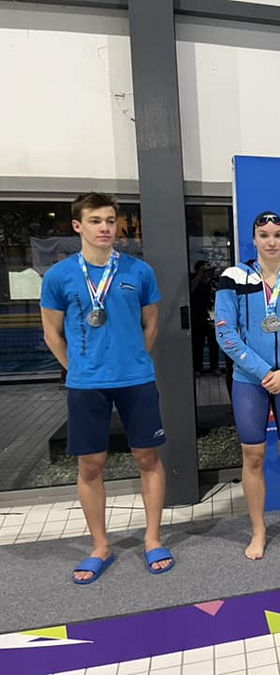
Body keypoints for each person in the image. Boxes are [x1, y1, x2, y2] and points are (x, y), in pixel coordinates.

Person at [40, 192, 173, 584]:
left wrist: (134, 360)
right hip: (87, 385)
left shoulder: (139, 271)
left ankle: (153, 539)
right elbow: (51, 333)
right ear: (77, 226)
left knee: (148, 458)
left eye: (110, 221)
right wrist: (79, 369)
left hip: (136, 380)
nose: (105, 228)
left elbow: (151, 323)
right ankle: (100, 546)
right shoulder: (60, 276)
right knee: (90, 465)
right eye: (96, 220)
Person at [215, 211, 280, 559]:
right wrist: (264, 372)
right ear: (254, 240)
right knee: (254, 457)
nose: (271, 242)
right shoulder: (233, 278)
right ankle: (258, 531)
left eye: (278, 235)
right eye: (264, 235)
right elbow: (225, 333)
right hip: (250, 381)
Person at [190, 260, 220, 375]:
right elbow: (190, 290)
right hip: (198, 316)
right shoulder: (194, 280)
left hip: (212, 315)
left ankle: (214, 367)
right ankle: (197, 368)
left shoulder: (214, 281)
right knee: (198, 343)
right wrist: (199, 276)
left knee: (214, 343)